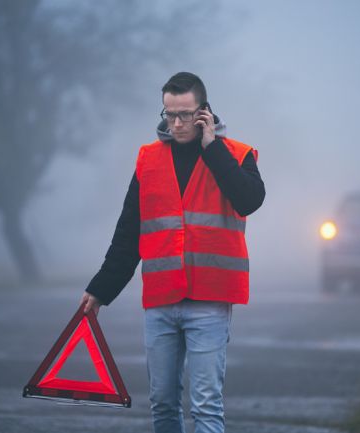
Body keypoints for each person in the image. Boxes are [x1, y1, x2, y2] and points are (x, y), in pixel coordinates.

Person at [80, 71, 265, 433]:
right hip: (161, 301)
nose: (176, 124)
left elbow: (249, 200)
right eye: (169, 114)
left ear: (204, 113)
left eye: (184, 115)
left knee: (206, 405)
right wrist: (102, 288)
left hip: (210, 301)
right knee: (163, 403)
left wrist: (212, 147)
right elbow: (129, 231)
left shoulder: (236, 155)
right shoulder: (148, 160)